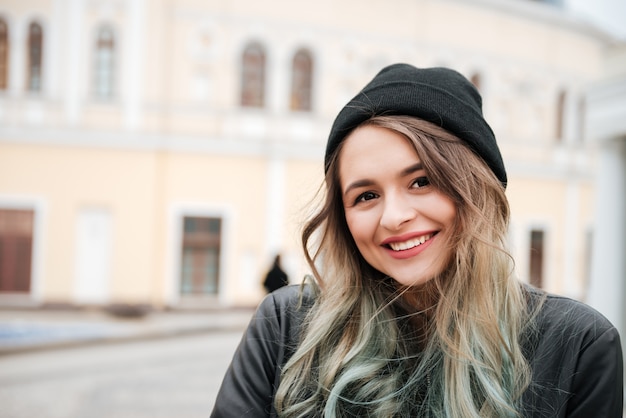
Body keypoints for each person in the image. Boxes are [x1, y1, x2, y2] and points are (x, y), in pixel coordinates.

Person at [211, 63, 623, 417]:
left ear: (477, 189)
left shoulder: (578, 345)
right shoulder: (284, 327)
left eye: (422, 181)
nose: (394, 217)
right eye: (366, 196)